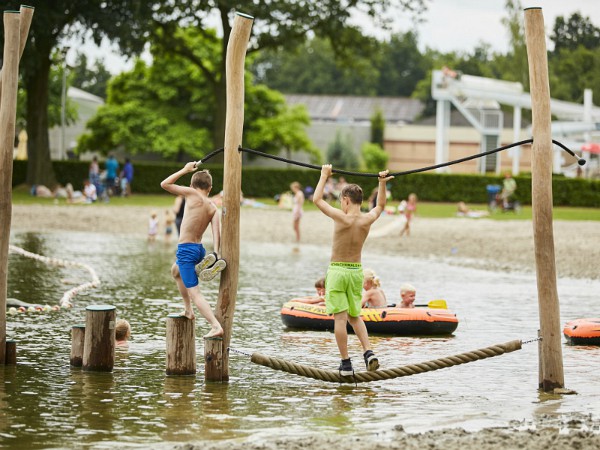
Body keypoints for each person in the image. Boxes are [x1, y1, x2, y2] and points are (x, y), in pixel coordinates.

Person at [313, 163, 393, 376]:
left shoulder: (342, 217)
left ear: (346, 200)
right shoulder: (366, 219)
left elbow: (317, 200)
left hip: (338, 270)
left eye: (341, 201)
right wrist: (381, 183)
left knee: (340, 319)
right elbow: (381, 206)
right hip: (357, 271)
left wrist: (324, 175)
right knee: (355, 317)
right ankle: (368, 352)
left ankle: (346, 363)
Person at [160, 162, 225, 338]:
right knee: (175, 271)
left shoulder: (191, 194)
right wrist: (217, 252)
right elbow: (216, 232)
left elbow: (164, 184)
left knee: (195, 292)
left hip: (186, 250)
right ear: (210, 188)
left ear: (191, 185)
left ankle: (215, 325)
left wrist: (185, 169)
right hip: (199, 250)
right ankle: (188, 310)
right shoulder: (213, 207)